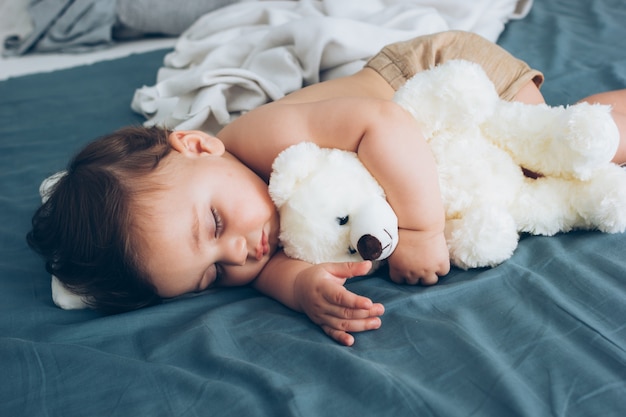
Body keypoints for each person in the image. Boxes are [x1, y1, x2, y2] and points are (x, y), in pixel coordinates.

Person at [27, 31, 626, 346]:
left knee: (556, 152)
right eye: (210, 275)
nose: (237, 252)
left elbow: (383, 123)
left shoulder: (258, 140)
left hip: (439, 83)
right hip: (433, 149)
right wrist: (307, 288)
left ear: (200, 145)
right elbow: (272, 273)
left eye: (213, 226)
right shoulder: (246, 243)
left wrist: (421, 228)